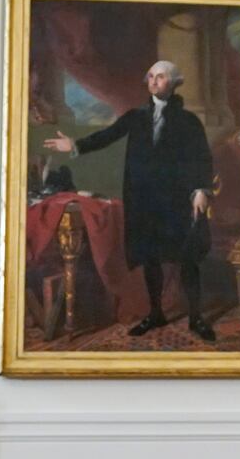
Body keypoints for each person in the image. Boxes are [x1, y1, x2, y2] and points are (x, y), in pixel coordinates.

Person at [45, 60, 217, 342]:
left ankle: (197, 317)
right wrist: (75, 145)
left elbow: (201, 157)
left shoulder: (189, 122)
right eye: (150, 76)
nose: (153, 81)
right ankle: (156, 312)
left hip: (178, 201)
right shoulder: (135, 116)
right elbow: (107, 135)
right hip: (145, 201)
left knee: (188, 259)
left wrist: (201, 190)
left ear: (173, 83)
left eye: (160, 77)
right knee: (150, 259)